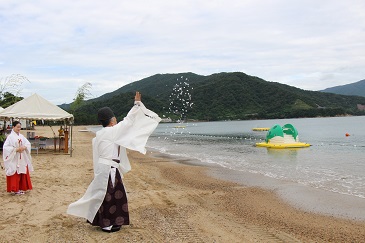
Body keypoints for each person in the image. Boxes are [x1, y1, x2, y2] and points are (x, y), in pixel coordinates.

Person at [67, 91, 161, 233]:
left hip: (105, 167)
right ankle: (106, 224)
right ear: (112, 120)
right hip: (109, 168)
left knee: (108, 195)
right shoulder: (112, 132)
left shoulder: (100, 134)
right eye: (115, 119)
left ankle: (109, 221)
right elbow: (129, 121)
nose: (117, 121)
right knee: (110, 196)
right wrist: (136, 104)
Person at [2, 120, 33, 195]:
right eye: (17, 127)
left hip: (21, 157)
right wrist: (16, 149)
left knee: (22, 171)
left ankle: (21, 187)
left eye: (20, 127)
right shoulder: (10, 137)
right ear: (13, 127)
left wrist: (24, 147)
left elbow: (28, 143)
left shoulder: (21, 136)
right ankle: (14, 189)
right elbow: (6, 147)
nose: (19, 129)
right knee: (15, 172)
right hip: (14, 157)